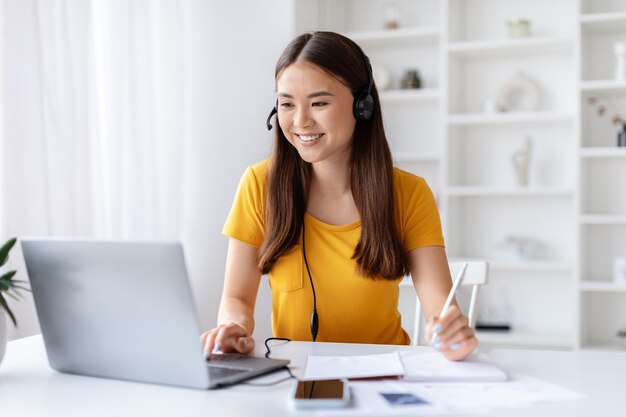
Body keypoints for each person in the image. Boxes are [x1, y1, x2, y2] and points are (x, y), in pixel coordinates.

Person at [201, 31, 477, 361]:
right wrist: (233, 328)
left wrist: (445, 332)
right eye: (287, 104)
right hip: (296, 374)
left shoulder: (409, 193)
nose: (300, 121)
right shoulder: (259, 184)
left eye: (319, 103)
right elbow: (236, 300)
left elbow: (439, 308)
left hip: (386, 373)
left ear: (362, 106)